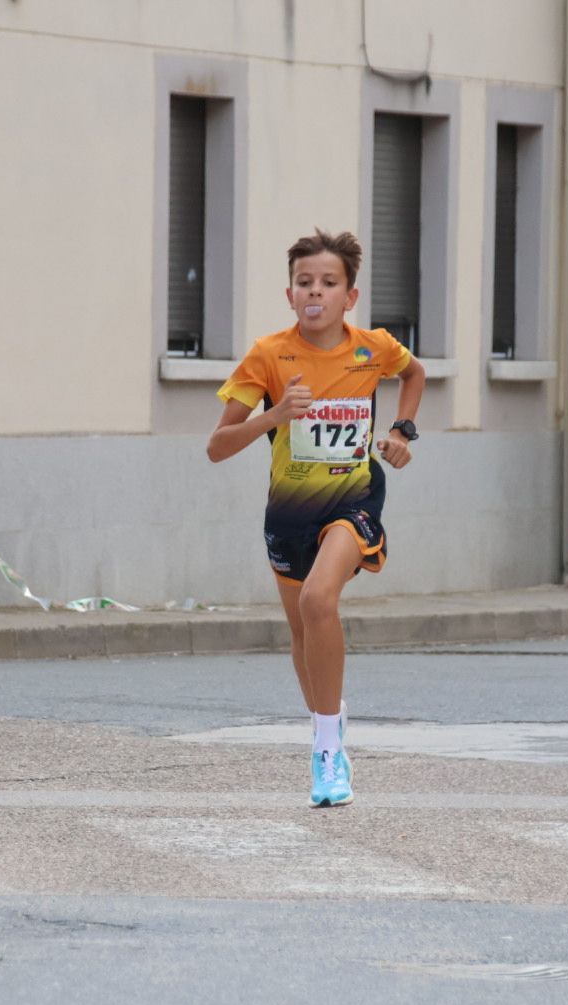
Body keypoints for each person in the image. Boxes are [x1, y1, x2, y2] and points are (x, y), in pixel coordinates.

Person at [207, 228, 426, 807]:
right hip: (288, 513)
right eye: (305, 282)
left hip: (354, 500)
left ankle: (326, 753)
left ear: (349, 297)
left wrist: (403, 430)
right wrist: (275, 413)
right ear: (289, 293)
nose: (316, 292)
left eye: (329, 283)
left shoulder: (372, 347)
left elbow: (415, 374)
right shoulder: (269, 355)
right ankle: (329, 718)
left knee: (317, 601)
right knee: (303, 633)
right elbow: (218, 445)